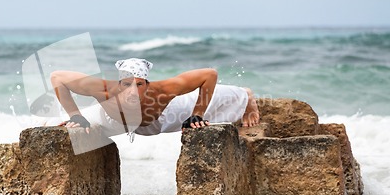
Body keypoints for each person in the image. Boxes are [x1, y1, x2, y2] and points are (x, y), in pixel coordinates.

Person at [50, 58, 259, 138]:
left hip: (161, 116)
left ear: (146, 84)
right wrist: (75, 115)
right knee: (57, 126)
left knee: (221, 97)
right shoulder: (103, 90)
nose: (132, 91)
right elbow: (57, 77)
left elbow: (209, 74)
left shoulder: (163, 91)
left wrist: (197, 114)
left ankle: (246, 96)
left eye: (139, 85)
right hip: (116, 120)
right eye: (126, 85)